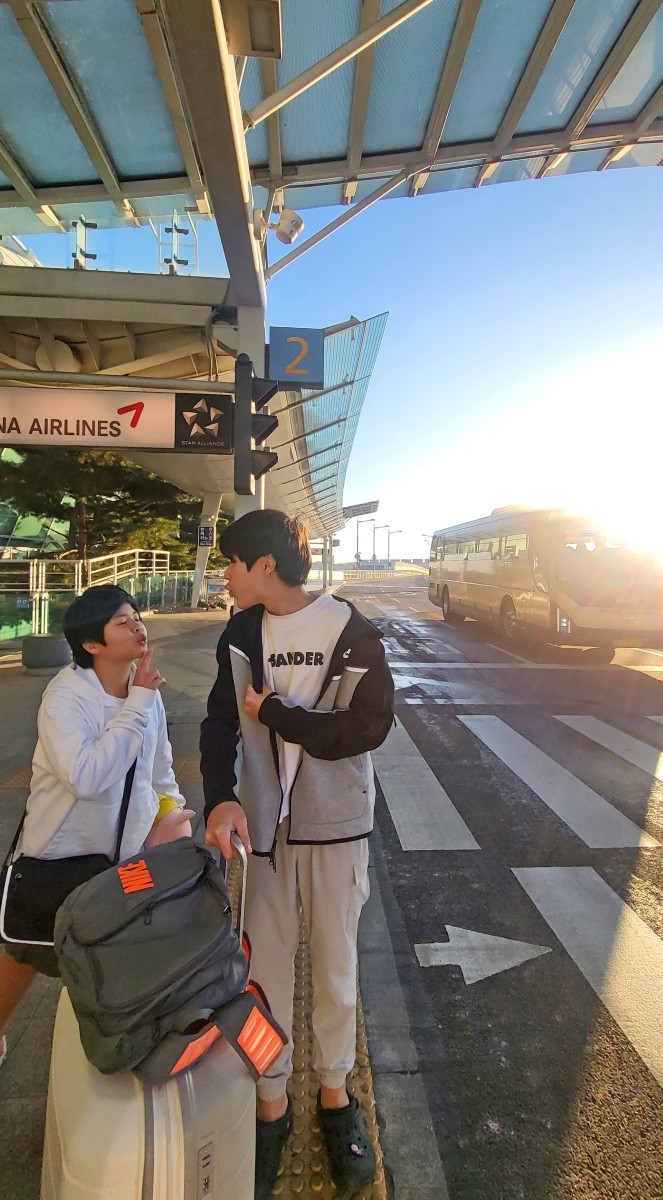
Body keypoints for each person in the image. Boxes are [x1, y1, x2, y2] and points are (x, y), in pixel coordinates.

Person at [0, 584, 194, 1147]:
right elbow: (85, 777)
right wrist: (137, 706)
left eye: (136, 618)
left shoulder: (144, 693)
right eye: (123, 622)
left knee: (114, 962)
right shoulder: (66, 696)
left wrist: (172, 818)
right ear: (91, 642)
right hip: (57, 856)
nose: (138, 628)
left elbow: (159, 774)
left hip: (125, 860)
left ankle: (107, 1072)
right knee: (25, 959)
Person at [200, 510, 395, 1199]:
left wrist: (278, 714)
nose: (223, 576)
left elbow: (365, 728)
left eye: (231, 564)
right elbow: (220, 718)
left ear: (263, 567)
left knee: (338, 970)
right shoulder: (241, 633)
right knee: (262, 975)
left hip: (337, 828)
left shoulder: (352, 631)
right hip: (263, 833)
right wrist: (220, 796)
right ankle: (271, 1099)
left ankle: (336, 1098)